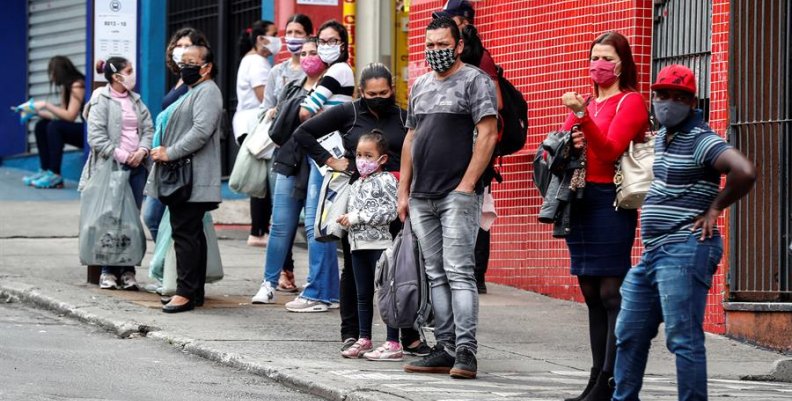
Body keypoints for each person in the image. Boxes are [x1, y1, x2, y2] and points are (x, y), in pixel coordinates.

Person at [613, 65, 756, 401]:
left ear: (693, 103)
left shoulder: (702, 139)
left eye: (679, 97)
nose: (668, 103)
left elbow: (745, 171)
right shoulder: (663, 136)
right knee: (629, 332)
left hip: (685, 249)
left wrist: (715, 208)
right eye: (662, 95)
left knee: (682, 337)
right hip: (653, 253)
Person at [293, 63, 430, 355]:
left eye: (384, 92)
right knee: (354, 271)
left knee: (401, 268)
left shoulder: (403, 115)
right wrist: (333, 161)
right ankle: (354, 333)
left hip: (395, 201)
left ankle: (408, 336)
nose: (378, 97)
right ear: (361, 92)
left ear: (392, 90)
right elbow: (303, 133)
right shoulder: (349, 113)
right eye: (372, 93)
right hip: (356, 202)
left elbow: (417, 149)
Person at [399, 17, 497, 379]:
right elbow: (411, 138)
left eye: (442, 45)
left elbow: (488, 134)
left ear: (457, 46)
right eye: (430, 46)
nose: (435, 52)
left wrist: (467, 185)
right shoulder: (420, 86)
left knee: (459, 272)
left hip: (457, 194)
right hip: (422, 196)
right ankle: (445, 347)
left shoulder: (475, 81)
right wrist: (403, 191)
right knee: (436, 274)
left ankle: (466, 352)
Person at [557, 31, 648, 401]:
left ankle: (613, 380)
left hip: (611, 200)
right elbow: (558, 147)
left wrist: (582, 118)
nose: (598, 64)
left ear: (621, 63)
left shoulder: (631, 101)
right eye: (594, 56)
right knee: (591, 292)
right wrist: (570, 134)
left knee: (613, 292)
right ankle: (596, 379)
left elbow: (610, 150)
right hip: (580, 201)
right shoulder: (589, 104)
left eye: (606, 57)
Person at [281, 19, 355, 313]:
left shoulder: (337, 70)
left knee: (318, 225)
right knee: (320, 224)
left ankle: (317, 293)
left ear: (343, 43)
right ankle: (326, 291)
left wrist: (318, 108)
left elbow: (305, 112)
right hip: (323, 155)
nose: (325, 46)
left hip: (327, 156)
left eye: (331, 40)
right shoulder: (333, 72)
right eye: (321, 41)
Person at [148, 45, 224, 314]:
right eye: (183, 62)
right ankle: (193, 291)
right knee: (191, 233)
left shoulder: (208, 92)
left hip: (192, 177)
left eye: (192, 62)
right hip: (185, 176)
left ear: (206, 67)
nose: (185, 66)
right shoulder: (195, 91)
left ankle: (184, 293)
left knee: (185, 233)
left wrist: (170, 152)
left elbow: (201, 131)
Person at [251, 38, 327, 304]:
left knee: (312, 227)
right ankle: (268, 282)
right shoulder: (292, 86)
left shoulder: (331, 87)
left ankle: (315, 285)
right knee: (280, 225)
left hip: (318, 162)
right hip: (289, 160)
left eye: (313, 52)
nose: (307, 57)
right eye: (304, 52)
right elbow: (277, 126)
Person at [434, 1, 502, 294]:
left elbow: (496, 104)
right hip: (448, 150)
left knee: (476, 211)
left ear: (462, 22)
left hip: (476, 148)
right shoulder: (439, 66)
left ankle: (477, 274)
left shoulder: (480, 58)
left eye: (448, 21)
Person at [80, 57, 153, 291]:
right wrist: (122, 154)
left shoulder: (136, 100)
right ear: (116, 76)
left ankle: (128, 270)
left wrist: (142, 150)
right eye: (128, 71)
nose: (133, 75)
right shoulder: (101, 99)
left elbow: (149, 129)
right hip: (111, 168)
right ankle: (108, 271)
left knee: (132, 221)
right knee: (110, 219)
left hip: (136, 168)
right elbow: (96, 137)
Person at [333, 131, 405, 360]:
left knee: (387, 294)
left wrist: (357, 217)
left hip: (380, 246)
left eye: (368, 155)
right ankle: (364, 338)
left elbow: (390, 211)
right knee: (362, 295)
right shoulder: (355, 184)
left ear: (382, 159)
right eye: (359, 155)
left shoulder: (387, 181)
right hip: (357, 245)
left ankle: (393, 342)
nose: (362, 160)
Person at [258, 13, 313, 292]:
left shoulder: (314, 71)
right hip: (280, 150)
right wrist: (270, 113)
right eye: (288, 31)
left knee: (309, 219)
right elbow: (264, 108)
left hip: (309, 151)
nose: (292, 36)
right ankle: (284, 270)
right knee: (280, 219)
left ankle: (311, 280)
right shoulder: (276, 72)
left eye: (298, 31)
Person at [142, 27, 209, 244]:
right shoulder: (180, 81)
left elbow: (198, 126)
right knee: (156, 218)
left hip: (179, 160)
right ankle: (169, 271)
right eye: (178, 46)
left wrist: (171, 152)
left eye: (187, 46)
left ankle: (172, 271)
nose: (181, 51)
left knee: (158, 217)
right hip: (164, 159)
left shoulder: (197, 84)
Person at [233, 19, 279, 248]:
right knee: (262, 179)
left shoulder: (250, 60)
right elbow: (265, 98)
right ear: (261, 38)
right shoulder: (258, 63)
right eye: (274, 34)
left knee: (259, 177)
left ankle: (258, 230)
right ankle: (258, 230)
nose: (277, 39)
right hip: (255, 125)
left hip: (246, 123)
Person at [23, 56, 86, 189]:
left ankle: (55, 175)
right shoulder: (67, 86)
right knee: (41, 125)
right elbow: (62, 114)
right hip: (80, 130)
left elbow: (70, 116)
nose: (51, 77)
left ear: (59, 72)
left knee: (55, 127)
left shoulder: (77, 85)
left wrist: (46, 105)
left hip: (89, 132)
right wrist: (36, 112)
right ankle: (46, 170)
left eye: (52, 73)